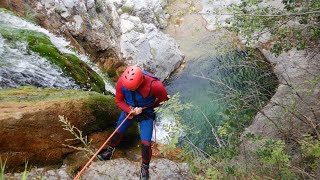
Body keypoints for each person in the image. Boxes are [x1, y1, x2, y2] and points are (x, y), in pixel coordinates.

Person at [98, 65, 169, 180]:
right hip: (129, 111)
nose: (129, 90)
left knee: (146, 143)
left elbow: (164, 99)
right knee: (118, 131)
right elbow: (119, 101)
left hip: (146, 114)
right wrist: (130, 110)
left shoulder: (155, 85)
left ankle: (145, 168)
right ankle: (109, 151)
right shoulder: (122, 82)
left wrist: (146, 108)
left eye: (132, 88)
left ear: (140, 82)